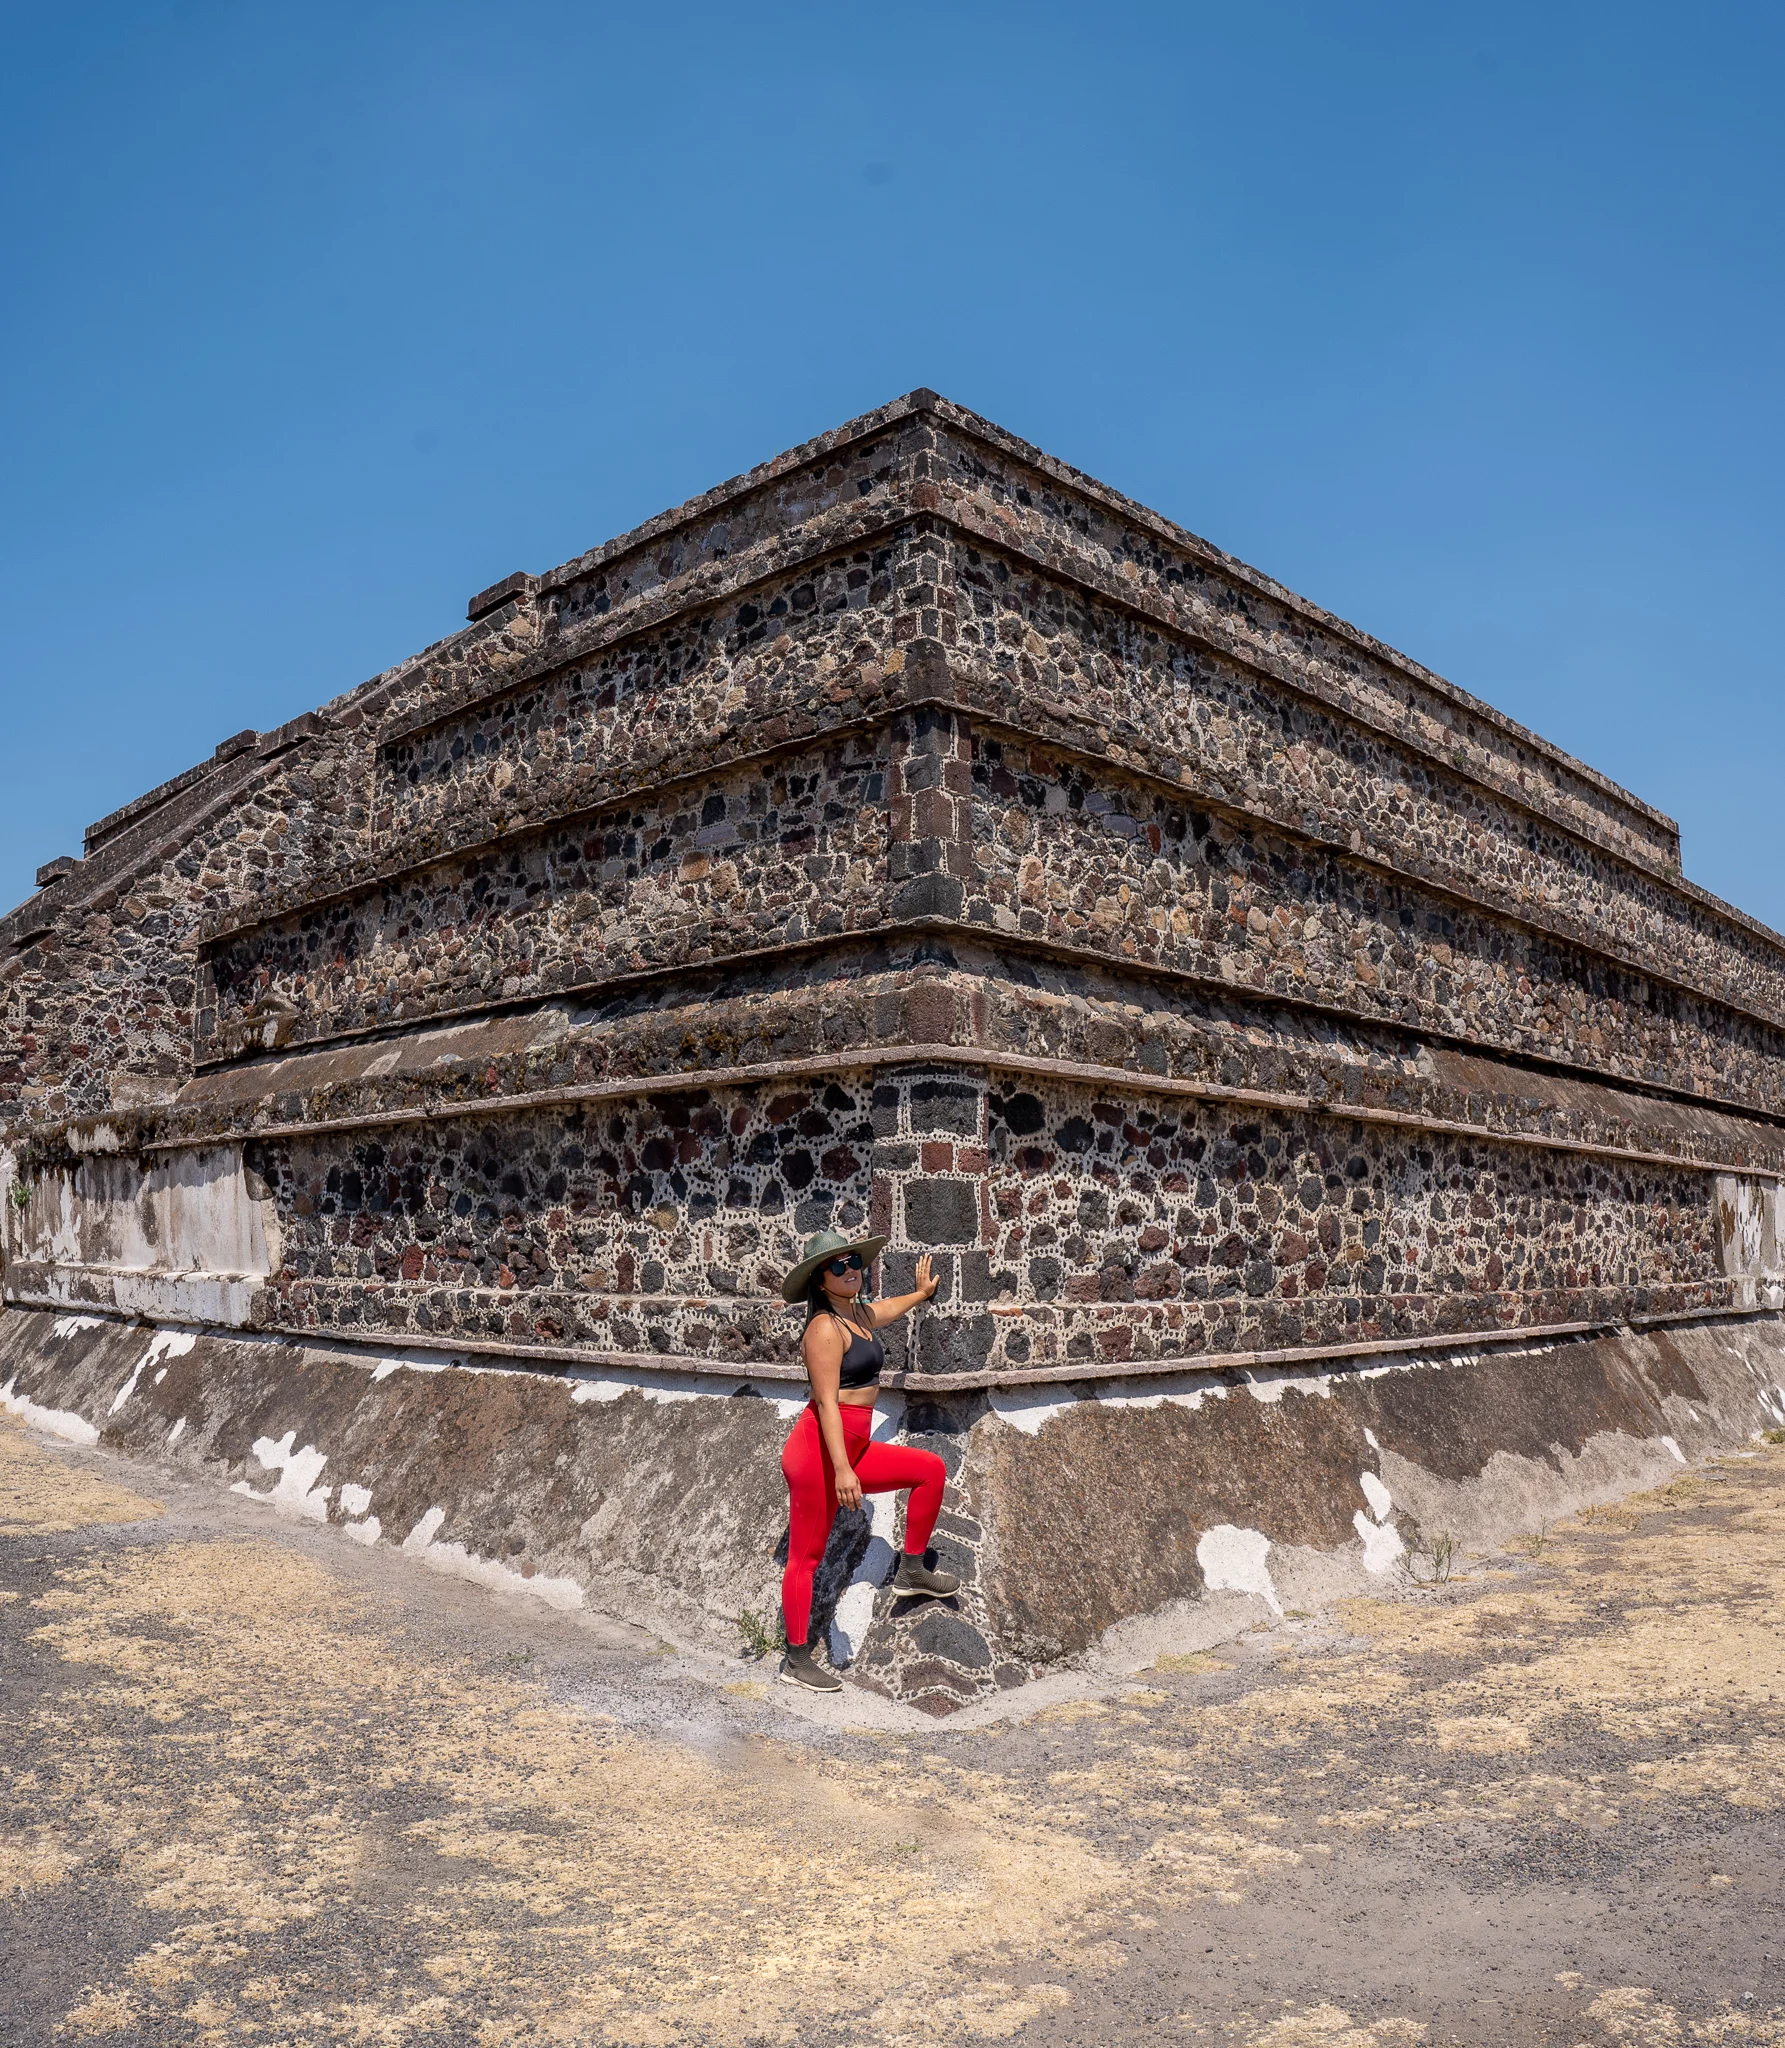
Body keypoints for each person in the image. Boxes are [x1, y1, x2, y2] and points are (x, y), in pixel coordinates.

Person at [774, 1228, 960, 1691]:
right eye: (838, 1266)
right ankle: (797, 1660)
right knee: (806, 1556)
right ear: (820, 1280)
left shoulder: (856, 1316)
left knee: (929, 1470)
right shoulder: (822, 1330)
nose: (851, 1269)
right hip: (819, 1451)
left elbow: (885, 1310)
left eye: (854, 1260)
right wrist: (841, 1469)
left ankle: (912, 1568)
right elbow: (826, 1405)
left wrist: (919, 1295)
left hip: (851, 1446)